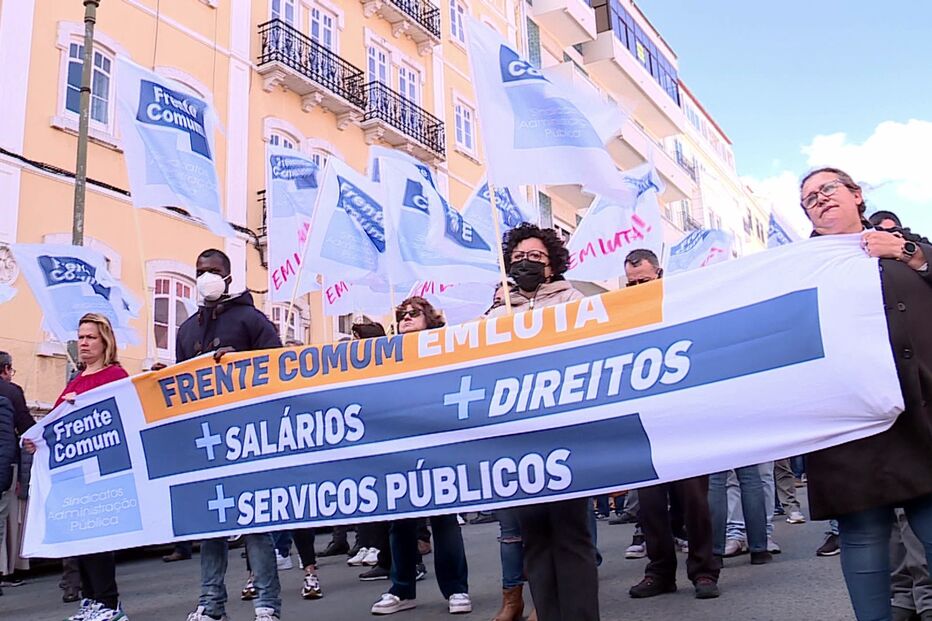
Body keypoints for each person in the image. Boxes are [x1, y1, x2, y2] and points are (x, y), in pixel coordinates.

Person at [798, 167, 932, 621]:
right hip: (845, 417)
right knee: (863, 532)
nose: (818, 199)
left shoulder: (908, 245)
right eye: (809, 199)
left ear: (857, 196)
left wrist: (905, 252)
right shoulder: (794, 266)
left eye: (827, 189)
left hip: (919, 411)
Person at [486, 223, 597, 621]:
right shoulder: (498, 313)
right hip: (518, 438)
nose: (526, 263)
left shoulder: (575, 302)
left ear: (551, 266)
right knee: (534, 538)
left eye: (535, 257)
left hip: (565, 432)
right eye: (518, 258)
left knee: (571, 534)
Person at [178, 249, 282, 621]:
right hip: (208, 442)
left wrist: (238, 362)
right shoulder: (187, 329)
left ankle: (266, 603)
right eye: (200, 269)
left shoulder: (252, 320)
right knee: (211, 527)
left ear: (228, 277)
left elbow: (278, 367)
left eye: (213, 270)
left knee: (256, 526)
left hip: (249, 437)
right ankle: (210, 602)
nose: (205, 275)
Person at [621, 250, 720, 600]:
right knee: (649, 503)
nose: (636, 288)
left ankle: (704, 571)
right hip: (643, 421)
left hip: (684, 417)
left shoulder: (682, 307)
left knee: (694, 498)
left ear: (659, 274)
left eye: (643, 281)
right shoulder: (622, 317)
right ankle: (660, 571)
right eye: (630, 283)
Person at [23, 313, 130, 620]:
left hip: (102, 472)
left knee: (98, 539)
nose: (83, 343)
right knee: (80, 538)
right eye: (80, 337)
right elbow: (55, 425)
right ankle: (92, 599)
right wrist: (38, 441)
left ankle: (110, 603)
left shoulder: (116, 377)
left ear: (105, 341)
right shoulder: (76, 380)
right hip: (74, 475)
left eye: (90, 337)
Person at [370, 297, 471, 616]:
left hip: (439, 444)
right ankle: (402, 588)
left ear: (430, 319)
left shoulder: (443, 350)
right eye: (401, 316)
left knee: (444, 521)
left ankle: (456, 589)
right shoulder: (388, 356)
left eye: (414, 314)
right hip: (401, 448)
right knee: (400, 522)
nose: (406, 319)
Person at [0, 351, 33, 589]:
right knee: (4, 522)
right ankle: (6, 570)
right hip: (6, 466)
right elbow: (26, 429)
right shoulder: (12, 393)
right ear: (6, 369)